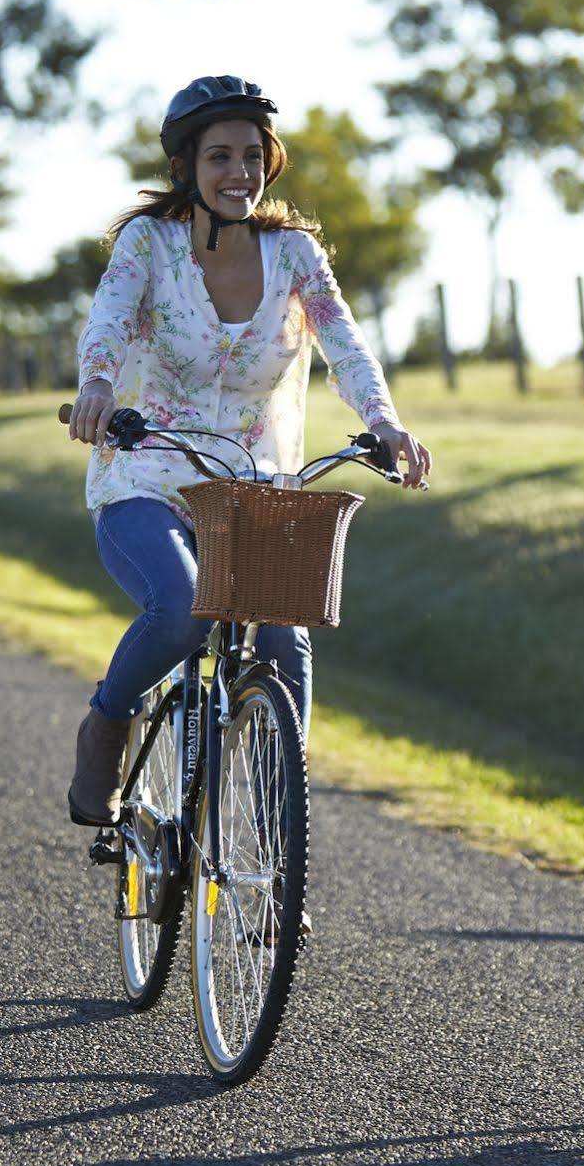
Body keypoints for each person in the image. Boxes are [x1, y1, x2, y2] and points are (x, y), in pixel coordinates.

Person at [65, 74, 431, 828]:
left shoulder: (292, 252)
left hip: (256, 484)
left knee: (284, 646)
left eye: (252, 156)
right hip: (148, 470)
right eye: (219, 157)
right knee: (180, 609)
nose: (239, 173)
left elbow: (345, 343)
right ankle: (105, 726)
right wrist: (98, 386)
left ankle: (273, 853)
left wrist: (386, 422)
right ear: (185, 169)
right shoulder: (150, 244)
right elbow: (106, 320)